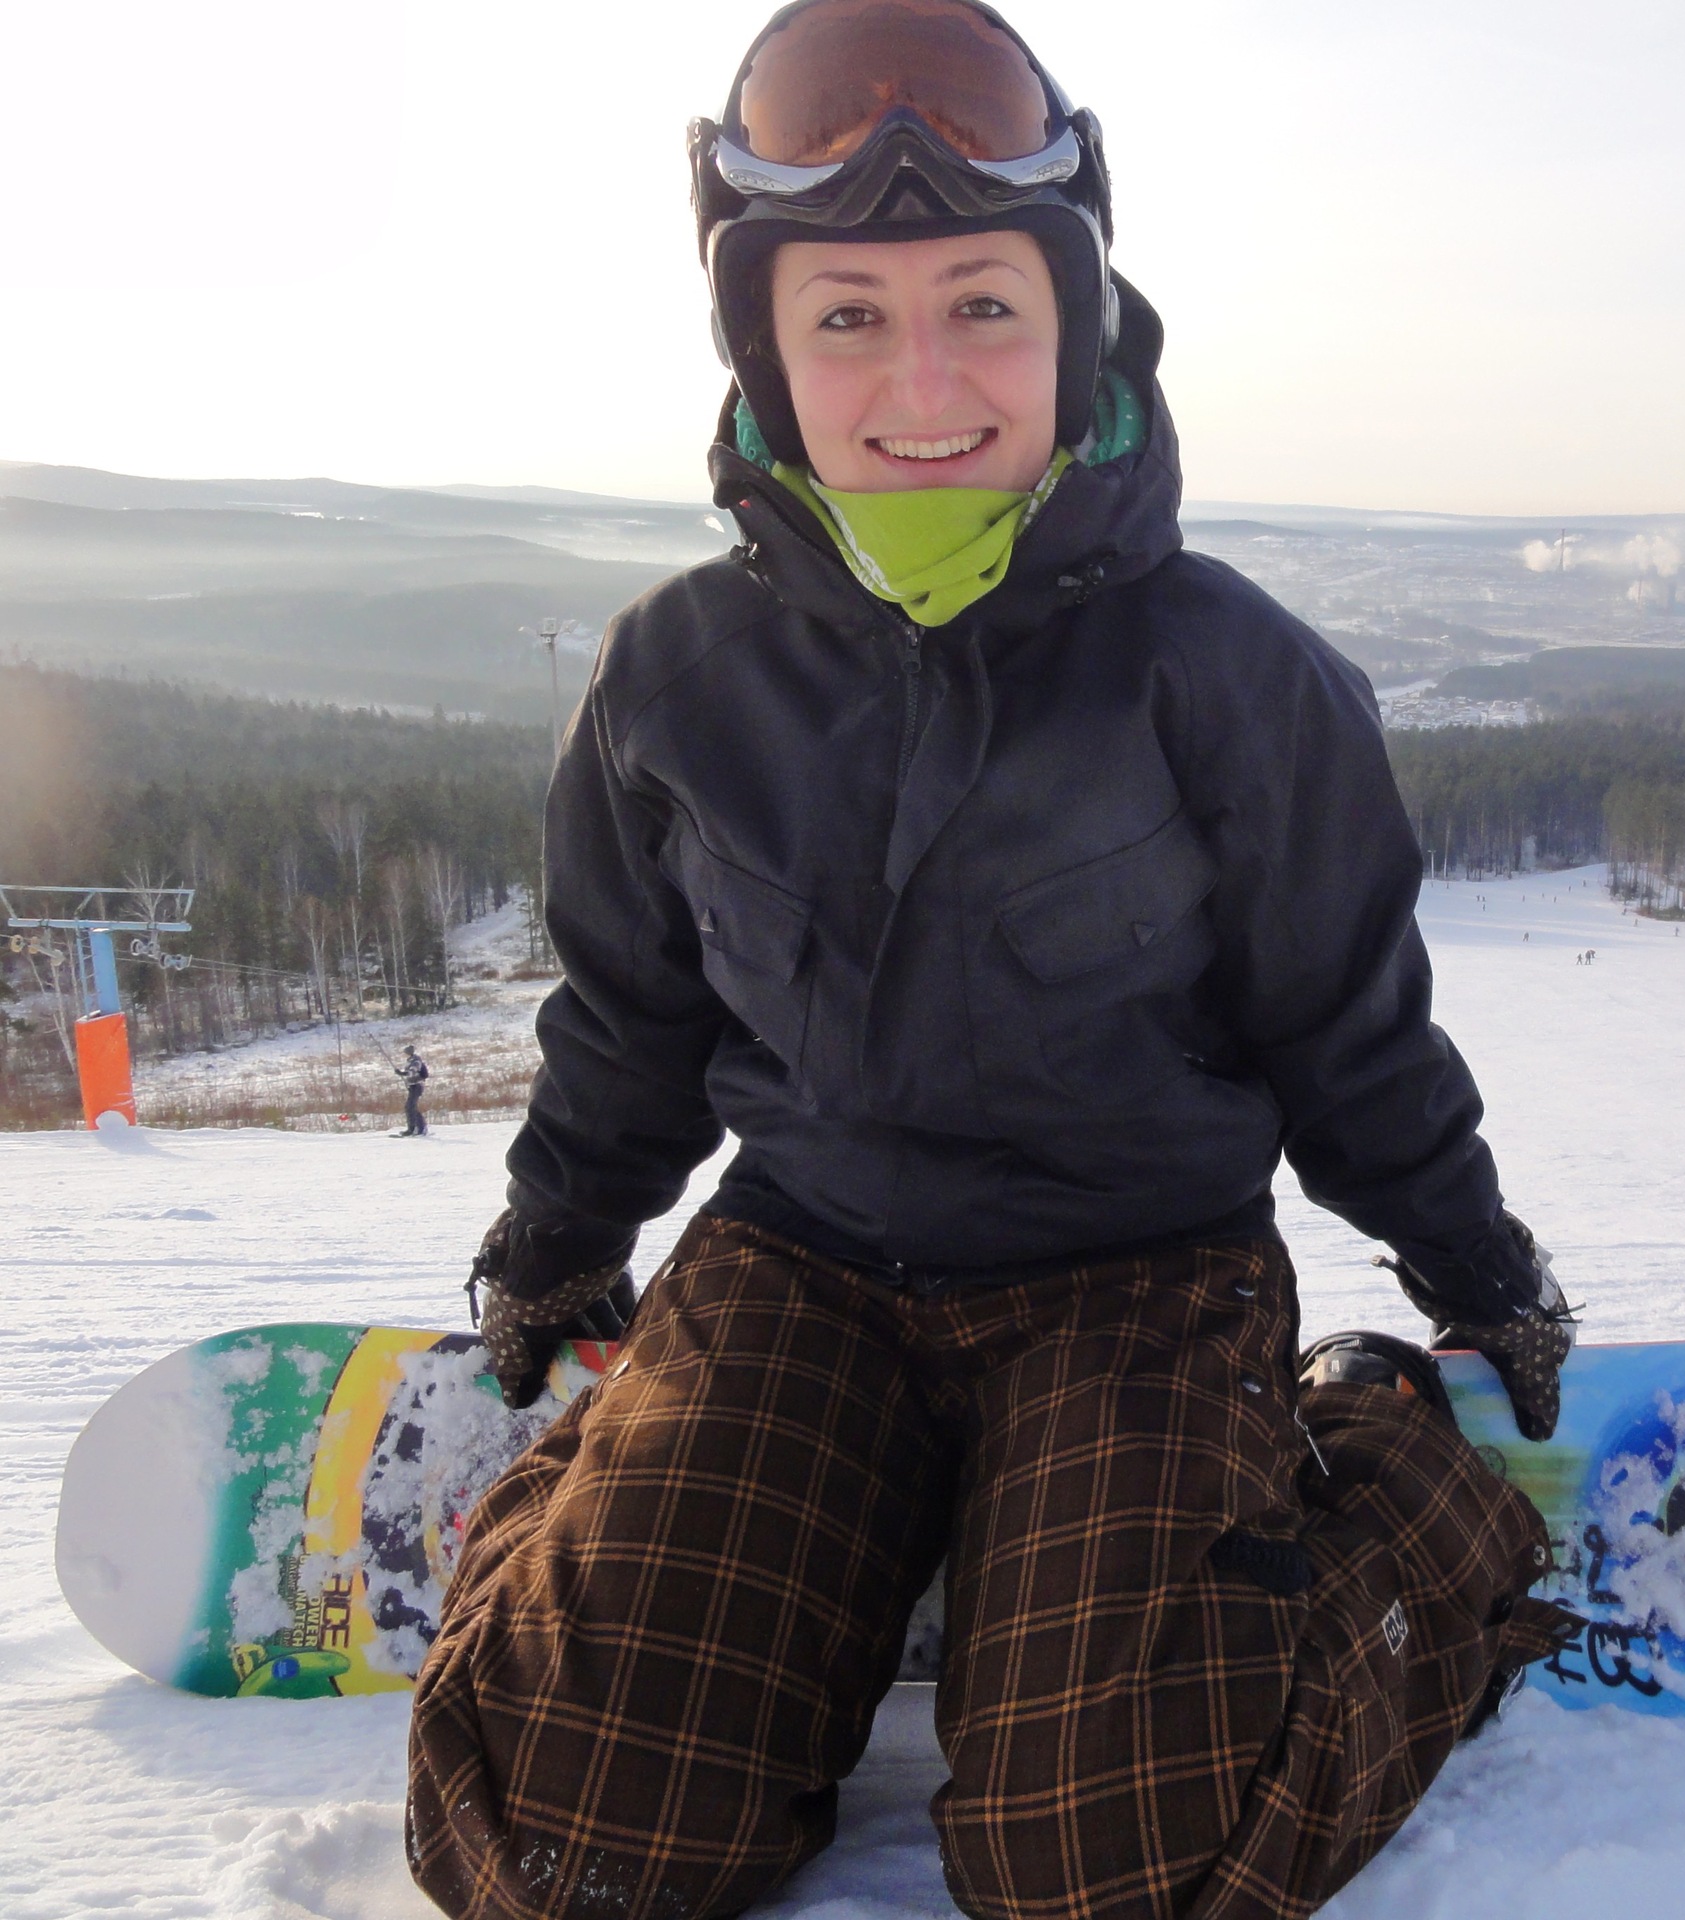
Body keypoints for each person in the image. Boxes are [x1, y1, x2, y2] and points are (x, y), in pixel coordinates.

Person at [404, 5, 1581, 1916]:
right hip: (805, 1257)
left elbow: (1346, 1032)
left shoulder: (1231, 675)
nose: (924, 378)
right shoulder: (677, 680)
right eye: (847, 316)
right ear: (766, 354)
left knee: (1119, 1865)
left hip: (1138, 1271)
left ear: (1078, 323)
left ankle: (1392, 1477)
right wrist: (556, 1240)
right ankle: (632, 1514)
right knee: (566, 1842)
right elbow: (632, 1018)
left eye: (984, 305)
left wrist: (1472, 1267)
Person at [397, 1045, 430, 1136]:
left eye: (405, 1052)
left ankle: (420, 1128)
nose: (404, 1054)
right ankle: (412, 1128)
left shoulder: (416, 1061)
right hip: (412, 1086)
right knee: (409, 1107)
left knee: (411, 1107)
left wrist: (403, 1073)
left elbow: (413, 1071)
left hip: (417, 1086)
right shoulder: (410, 1061)